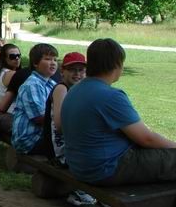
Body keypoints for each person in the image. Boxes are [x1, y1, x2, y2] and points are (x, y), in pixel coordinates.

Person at [62, 38, 176, 186]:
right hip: (106, 168)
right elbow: (146, 139)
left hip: (80, 166)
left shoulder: (75, 90)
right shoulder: (110, 96)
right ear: (117, 65)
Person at [41, 52, 95, 207]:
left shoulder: (77, 91)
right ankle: (80, 191)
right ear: (62, 71)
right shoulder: (61, 89)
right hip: (58, 149)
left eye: (81, 70)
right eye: (72, 70)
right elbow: (59, 124)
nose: (77, 74)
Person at [11, 43, 59, 155]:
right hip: (30, 139)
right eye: (48, 59)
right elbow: (40, 118)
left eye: (55, 60)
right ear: (35, 63)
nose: (53, 63)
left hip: (42, 134)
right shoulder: (32, 85)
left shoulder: (51, 83)